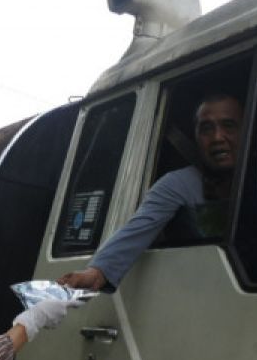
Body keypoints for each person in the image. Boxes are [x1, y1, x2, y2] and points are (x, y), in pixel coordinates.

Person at [59, 93, 244, 292]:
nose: (217, 137)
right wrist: (97, 272)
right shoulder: (179, 184)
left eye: (229, 126)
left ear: (248, 128)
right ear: (196, 136)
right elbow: (141, 225)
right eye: (206, 129)